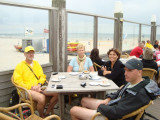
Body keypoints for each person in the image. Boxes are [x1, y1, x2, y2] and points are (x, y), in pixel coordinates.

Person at [70, 58, 159, 120]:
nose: (125, 73)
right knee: (84, 100)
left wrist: (101, 107)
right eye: (125, 70)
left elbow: (117, 112)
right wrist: (108, 98)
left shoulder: (139, 93)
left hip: (112, 116)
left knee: (73, 110)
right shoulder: (135, 82)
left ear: (139, 72)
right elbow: (119, 92)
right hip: (113, 105)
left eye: (130, 70)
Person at [13, 46, 58, 118]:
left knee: (57, 93)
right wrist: (31, 87)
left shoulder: (36, 64)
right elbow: (18, 81)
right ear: (24, 54)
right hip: (26, 90)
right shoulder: (20, 66)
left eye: (32, 53)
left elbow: (42, 76)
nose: (31, 54)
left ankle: (47, 112)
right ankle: (41, 116)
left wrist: (39, 85)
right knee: (42, 98)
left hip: (38, 87)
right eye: (28, 53)